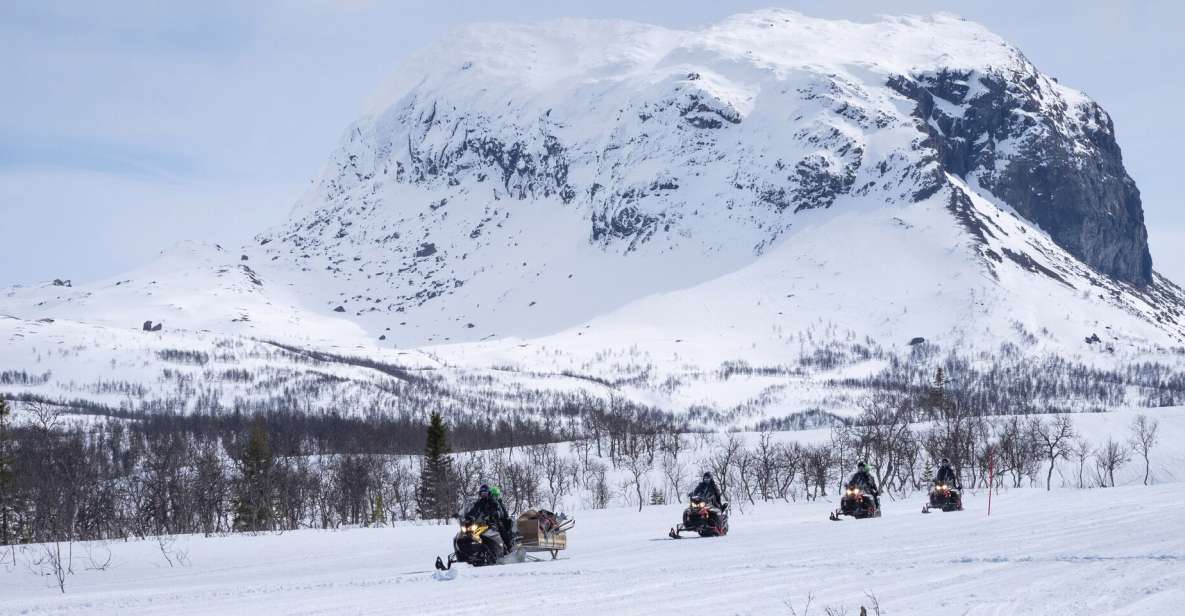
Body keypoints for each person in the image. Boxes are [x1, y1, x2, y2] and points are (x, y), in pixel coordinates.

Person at [464, 484, 514, 551]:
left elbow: (497, 509)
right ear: (480, 494)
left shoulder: (492, 500)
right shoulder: (480, 502)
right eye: (482, 493)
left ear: (488, 493)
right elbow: (474, 510)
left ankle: (509, 547)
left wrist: (494, 514)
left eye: (485, 493)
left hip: (494, 521)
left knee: (501, 527)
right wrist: (468, 516)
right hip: (483, 522)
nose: (484, 495)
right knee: (471, 531)